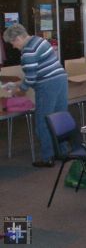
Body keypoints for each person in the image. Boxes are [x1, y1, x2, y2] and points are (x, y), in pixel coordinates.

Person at [3, 23, 68, 168]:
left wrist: (18, 90)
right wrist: (20, 84)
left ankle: (48, 158)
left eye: (13, 42)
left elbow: (31, 79)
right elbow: (37, 71)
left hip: (47, 86)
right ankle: (63, 152)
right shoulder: (40, 40)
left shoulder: (28, 52)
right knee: (60, 117)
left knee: (43, 122)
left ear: (19, 37)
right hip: (61, 79)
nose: (13, 46)